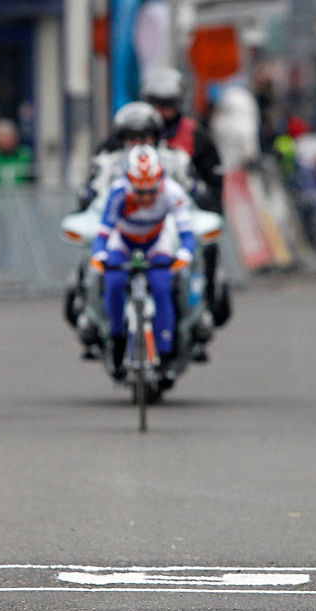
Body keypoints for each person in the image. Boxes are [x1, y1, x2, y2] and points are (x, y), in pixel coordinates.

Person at [90, 144, 195, 389]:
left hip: (157, 241)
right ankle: (116, 340)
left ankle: (166, 354)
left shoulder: (172, 191)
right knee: (114, 284)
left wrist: (184, 255)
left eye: (151, 191)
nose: (146, 198)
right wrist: (98, 256)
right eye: (140, 192)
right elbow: (103, 233)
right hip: (124, 242)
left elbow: (187, 234)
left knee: (161, 287)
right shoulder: (117, 193)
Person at [141, 67, 226, 333]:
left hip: (181, 215)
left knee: (207, 251)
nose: (162, 112)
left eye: (168, 105)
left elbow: (215, 180)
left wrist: (209, 207)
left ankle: (205, 313)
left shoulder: (196, 137)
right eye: (157, 104)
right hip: (137, 216)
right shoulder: (131, 130)